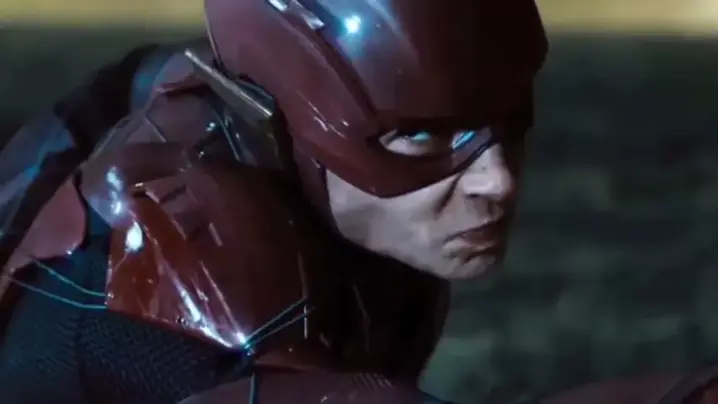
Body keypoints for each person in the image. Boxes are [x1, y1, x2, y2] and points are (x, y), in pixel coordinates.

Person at [8, 0, 710, 403]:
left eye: (505, 122)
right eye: (423, 136)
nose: (497, 181)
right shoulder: (186, 254)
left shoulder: (234, 98)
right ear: (284, 120)